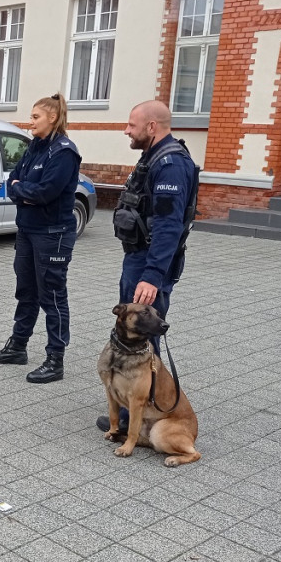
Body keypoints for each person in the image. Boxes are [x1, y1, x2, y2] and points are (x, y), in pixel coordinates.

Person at [97, 100, 199, 433]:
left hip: (149, 263)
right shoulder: (154, 158)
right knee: (135, 340)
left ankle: (136, 417)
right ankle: (132, 407)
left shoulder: (169, 164)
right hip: (141, 257)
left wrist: (153, 275)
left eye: (131, 124)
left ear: (151, 126)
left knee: (144, 341)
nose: (127, 130)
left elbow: (169, 225)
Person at [0, 94, 80, 384]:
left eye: (36, 116)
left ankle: (55, 359)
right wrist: (22, 190)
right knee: (25, 291)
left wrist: (22, 191)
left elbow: (45, 192)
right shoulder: (34, 148)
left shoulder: (63, 152)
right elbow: (11, 181)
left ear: (52, 118)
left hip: (53, 235)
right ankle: (18, 346)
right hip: (27, 230)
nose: (31, 121)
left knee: (51, 295)